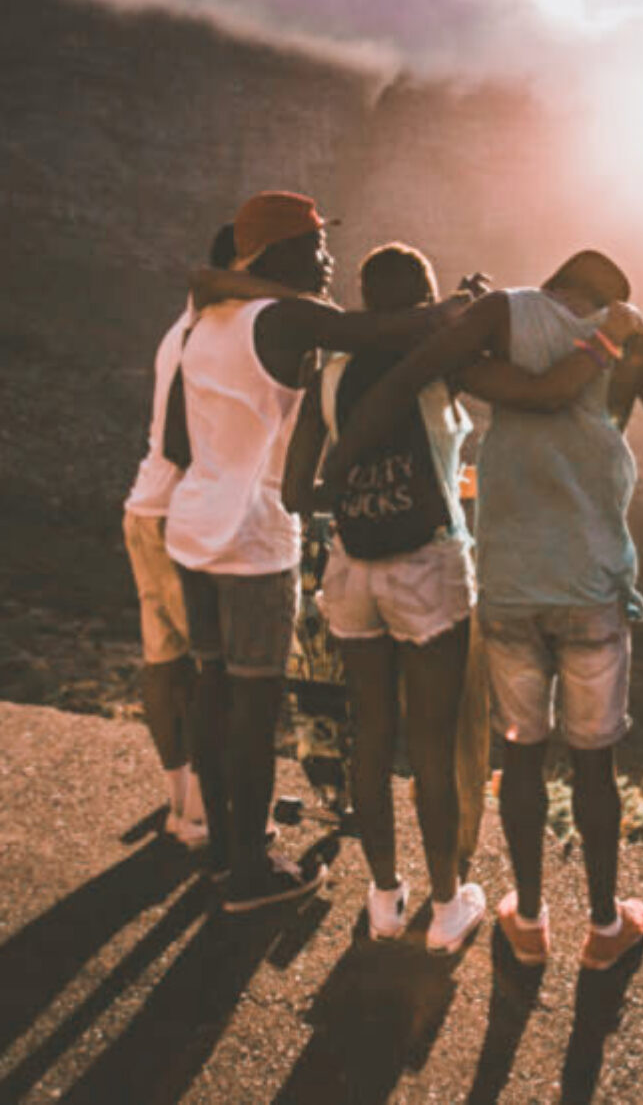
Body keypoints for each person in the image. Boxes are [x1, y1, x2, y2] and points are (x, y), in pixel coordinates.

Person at [320, 250, 643, 971]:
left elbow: (422, 367)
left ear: (553, 288)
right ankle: (606, 927)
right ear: (607, 301)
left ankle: (528, 919)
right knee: (594, 764)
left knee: (520, 753)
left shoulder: (503, 319)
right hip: (591, 586)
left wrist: (337, 469)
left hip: (510, 584)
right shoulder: (632, 341)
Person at [282, 243, 643, 953]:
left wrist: (346, 493)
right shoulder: (439, 368)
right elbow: (539, 394)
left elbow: (296, 492)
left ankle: (385, 897)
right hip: (426, 565)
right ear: (427, 305)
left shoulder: (327, 373)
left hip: (352, 567)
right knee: (434, 740)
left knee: (371, 731)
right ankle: (448, 906)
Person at [167, 191, 471, 913]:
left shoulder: (204, 322)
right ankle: (251, 871)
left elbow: (180, 441)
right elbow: (391, 331)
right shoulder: (285, 315)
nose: (328, 257)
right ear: (275, 254)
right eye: (313, 244)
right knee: (254, 699)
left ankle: (220, 853)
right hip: (251, 539)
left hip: (195, 528)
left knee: (211, 688)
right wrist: (465, 307)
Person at [122, 222, 235, 849]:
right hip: (176, 517)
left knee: (164, 662)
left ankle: (181, 804)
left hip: (145, 506)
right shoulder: (209, 331)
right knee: (204, 670)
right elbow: (182, 443)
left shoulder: (185, 324)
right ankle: (200, 814)